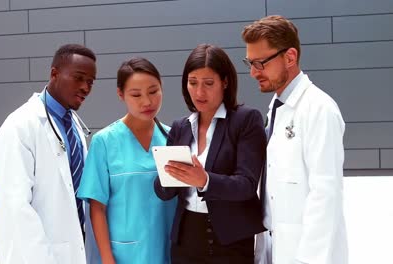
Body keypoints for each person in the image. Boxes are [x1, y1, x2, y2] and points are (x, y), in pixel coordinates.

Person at [242, 15, 348, 264]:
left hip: (307, 254)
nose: (253, 72)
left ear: (290, 57)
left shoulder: (319, 109)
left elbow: (325, 195)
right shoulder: (277, 107)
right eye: (250, 62)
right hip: (274, 245)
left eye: (260, 63)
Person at [154, 44, 266, 264]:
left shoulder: (246, 120)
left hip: (230, 241)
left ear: (225, 82)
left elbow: (246, 184)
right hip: (185, 240)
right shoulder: (180, 127)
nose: (199, 92)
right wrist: (169, 178)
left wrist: (204, 180)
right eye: (192, 83)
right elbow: (163, 191)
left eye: (208, 83)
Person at [0, 44, 96, 264]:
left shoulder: (74, 125)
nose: (86, 87)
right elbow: (16, 209)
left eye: (90, 82)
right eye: (79, 78)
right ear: (54, 73)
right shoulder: (19, 127)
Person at [77, 57, 176, 264]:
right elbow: (97, 208)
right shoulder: (104, 142)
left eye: (153, 91)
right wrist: (107, 258)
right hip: (124, 255)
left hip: (170, 251)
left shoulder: (174, 138)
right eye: (136, 94)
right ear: (120, 94)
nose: (147, 102)